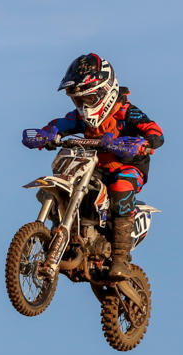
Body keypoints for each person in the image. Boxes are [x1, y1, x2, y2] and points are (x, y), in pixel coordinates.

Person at [22, 53, 165, 279]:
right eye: (77, 100)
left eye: (87, 99)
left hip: (125, 165)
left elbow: (154, 131)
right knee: (68, 173)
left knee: (121, 185)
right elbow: (62, 123)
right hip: (94, 166)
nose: (83, 106)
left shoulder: (126, 112)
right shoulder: (81, 117)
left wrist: (143, 143)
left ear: (104, 91)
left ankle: (120, 258)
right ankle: (63, 234)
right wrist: (47, 134)